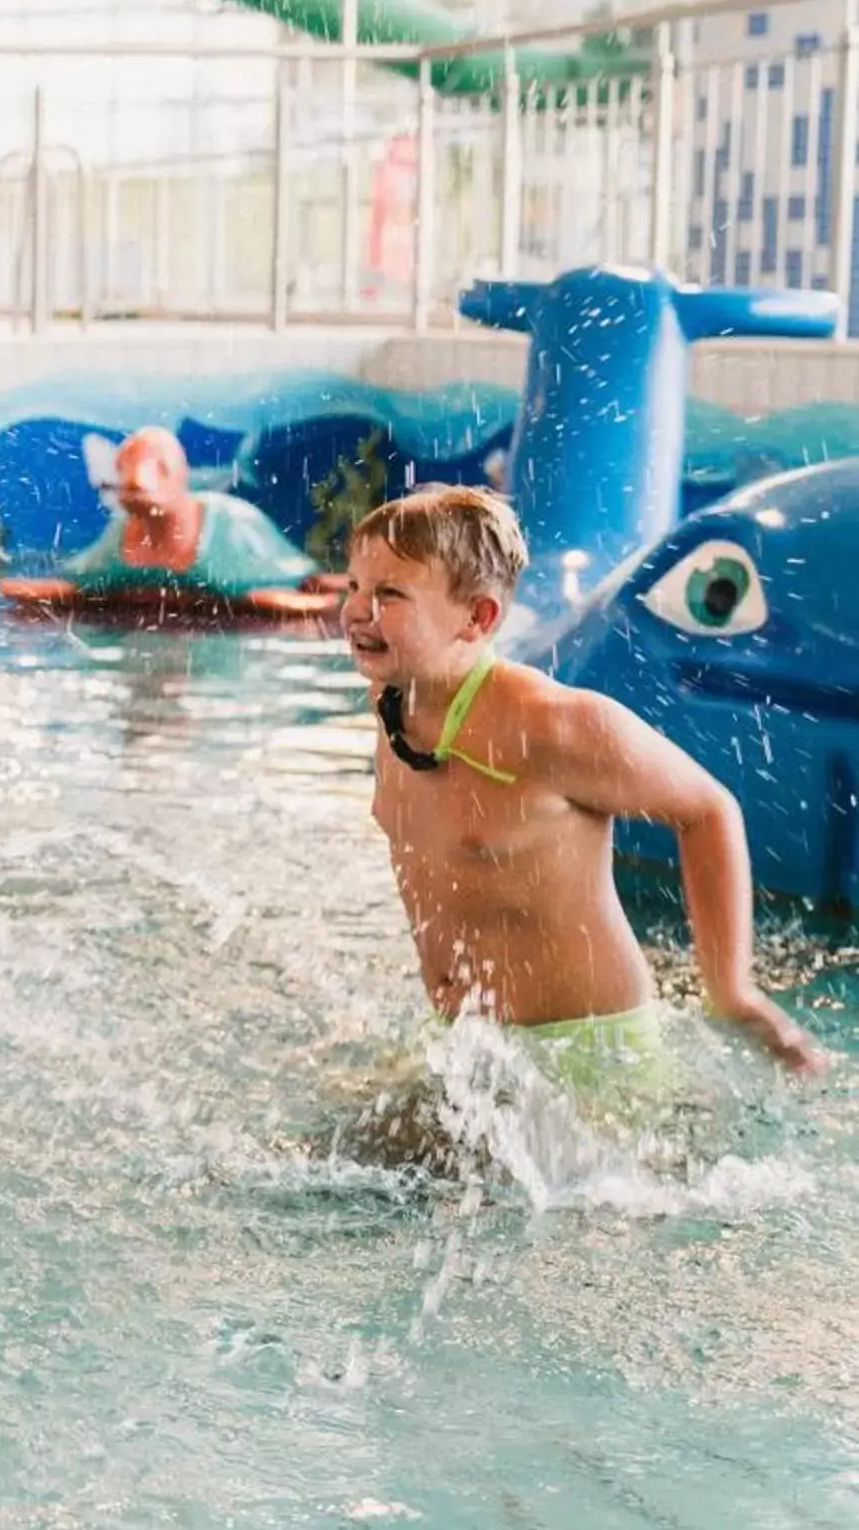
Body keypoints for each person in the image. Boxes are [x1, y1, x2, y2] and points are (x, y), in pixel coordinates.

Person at [344, 486, 826, 1110]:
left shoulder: (552, 726)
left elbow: (707, 810)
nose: (358, 610)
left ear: (478, 617)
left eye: (390, 595)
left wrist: (732, 991)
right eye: (354, 585)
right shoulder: (390, 702)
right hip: (467, 1041)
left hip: (587, 1054)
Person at [60, 426, 325, 596]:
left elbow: (302, 582)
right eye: (124, 467)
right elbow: (83, 579)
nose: (135, 480)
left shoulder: (231, 522)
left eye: (162, 467)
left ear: (179, 474)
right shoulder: (123, 528)